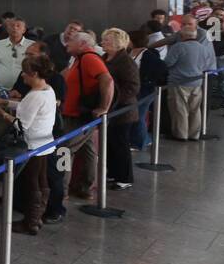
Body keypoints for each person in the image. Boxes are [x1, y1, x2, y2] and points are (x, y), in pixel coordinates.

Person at [0, 55, 57, 234]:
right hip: (45, 142)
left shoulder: (34, 96)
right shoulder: (48, 90)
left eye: (25, 73)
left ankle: (31, 221)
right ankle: (37, 217)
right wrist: (5, 102)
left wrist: (1, 113)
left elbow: (21, 125)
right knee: (42, 181)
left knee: (32, 182)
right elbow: (28, 110)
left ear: (34, 73)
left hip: (31, 144)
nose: (22, 77)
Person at [61, 31, 113, 197]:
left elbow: (107, 80)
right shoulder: (78, 60)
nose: (66, 43)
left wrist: (104, 107)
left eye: (71, 41)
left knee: (64, 149)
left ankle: (60, 190)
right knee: (88, 150)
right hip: (76, 113)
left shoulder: (89, 58)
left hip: (78, 115)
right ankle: (85, 187)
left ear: (82, 44)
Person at [152, 19, 216, 140]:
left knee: (179, 109)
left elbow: (168, 63)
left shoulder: (178, 47)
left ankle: (180, 134)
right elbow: (206, 64)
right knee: (195, 110)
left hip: (178, 82)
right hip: (197, 82)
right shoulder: (203, 48)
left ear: (182, 35)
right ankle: (194, 134)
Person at [101, 28, 138, 191]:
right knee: (110, 143)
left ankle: (125, 177)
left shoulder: (126, 61)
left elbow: (133, 87)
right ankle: (114, 172)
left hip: (122, 110)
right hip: (109, 110)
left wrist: (114, 100)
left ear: (117, 43)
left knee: (121, 144)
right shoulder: (104, 58)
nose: (103, 42)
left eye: (107, 40)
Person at [129, 28, 166, 151]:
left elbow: (161, 69)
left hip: (145, 91)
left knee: (138, 116)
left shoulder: (148, 54)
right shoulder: (130, 53)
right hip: (136, 91)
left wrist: (148, 81)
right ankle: (145, 139)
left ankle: (138, 142)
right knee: (137, 115)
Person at [0, 15, 30, 92]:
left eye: (18, 26)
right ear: (7, 29)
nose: (15, 28)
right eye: (12, 26)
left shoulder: (32, 46)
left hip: (23, 91)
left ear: (24, 30)